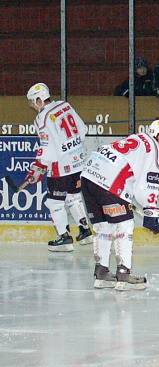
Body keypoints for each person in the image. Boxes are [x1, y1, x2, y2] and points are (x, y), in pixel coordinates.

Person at [80, 119, 159, 290]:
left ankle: (101, 273)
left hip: (88, 177)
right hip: (110, 182)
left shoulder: (138, 138)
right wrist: (152, 211)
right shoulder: (156, 151)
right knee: (124, 226)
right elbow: (147, 186)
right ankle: (123, 276)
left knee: (103, 227)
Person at [25, 82, 93, 252]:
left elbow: (47, 148)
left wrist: (38, 167)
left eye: (33, 102)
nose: (33, 106)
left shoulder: (42, 118)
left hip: (60, 167)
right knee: (73, 197)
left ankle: (64, 238)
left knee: (54, 203)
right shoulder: (65, 105)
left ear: (39, 100)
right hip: (78, 162)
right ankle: (85, 231)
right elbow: (82, 130)